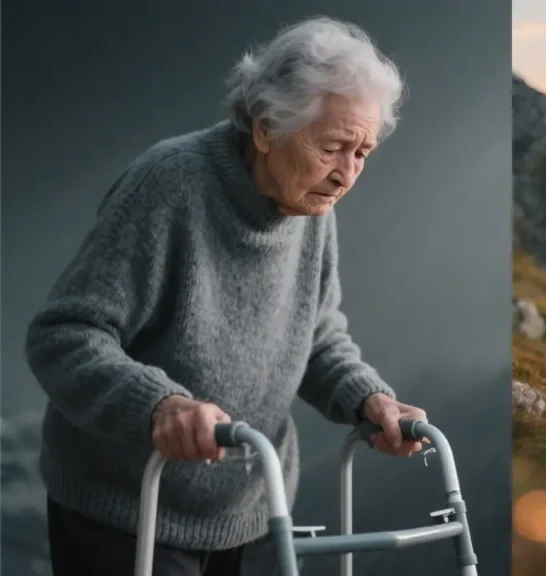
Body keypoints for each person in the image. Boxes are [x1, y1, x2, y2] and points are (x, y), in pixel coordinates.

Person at [25, 17, 428, 576]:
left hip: (254, 512)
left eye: (363, 153)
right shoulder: (169, 185)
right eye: (334, 147)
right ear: (266, 128)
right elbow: (65, 336)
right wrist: (160, 405)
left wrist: (368, 399)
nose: (347, 175)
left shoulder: (310, 204)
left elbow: (313, 335)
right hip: (131, 511)